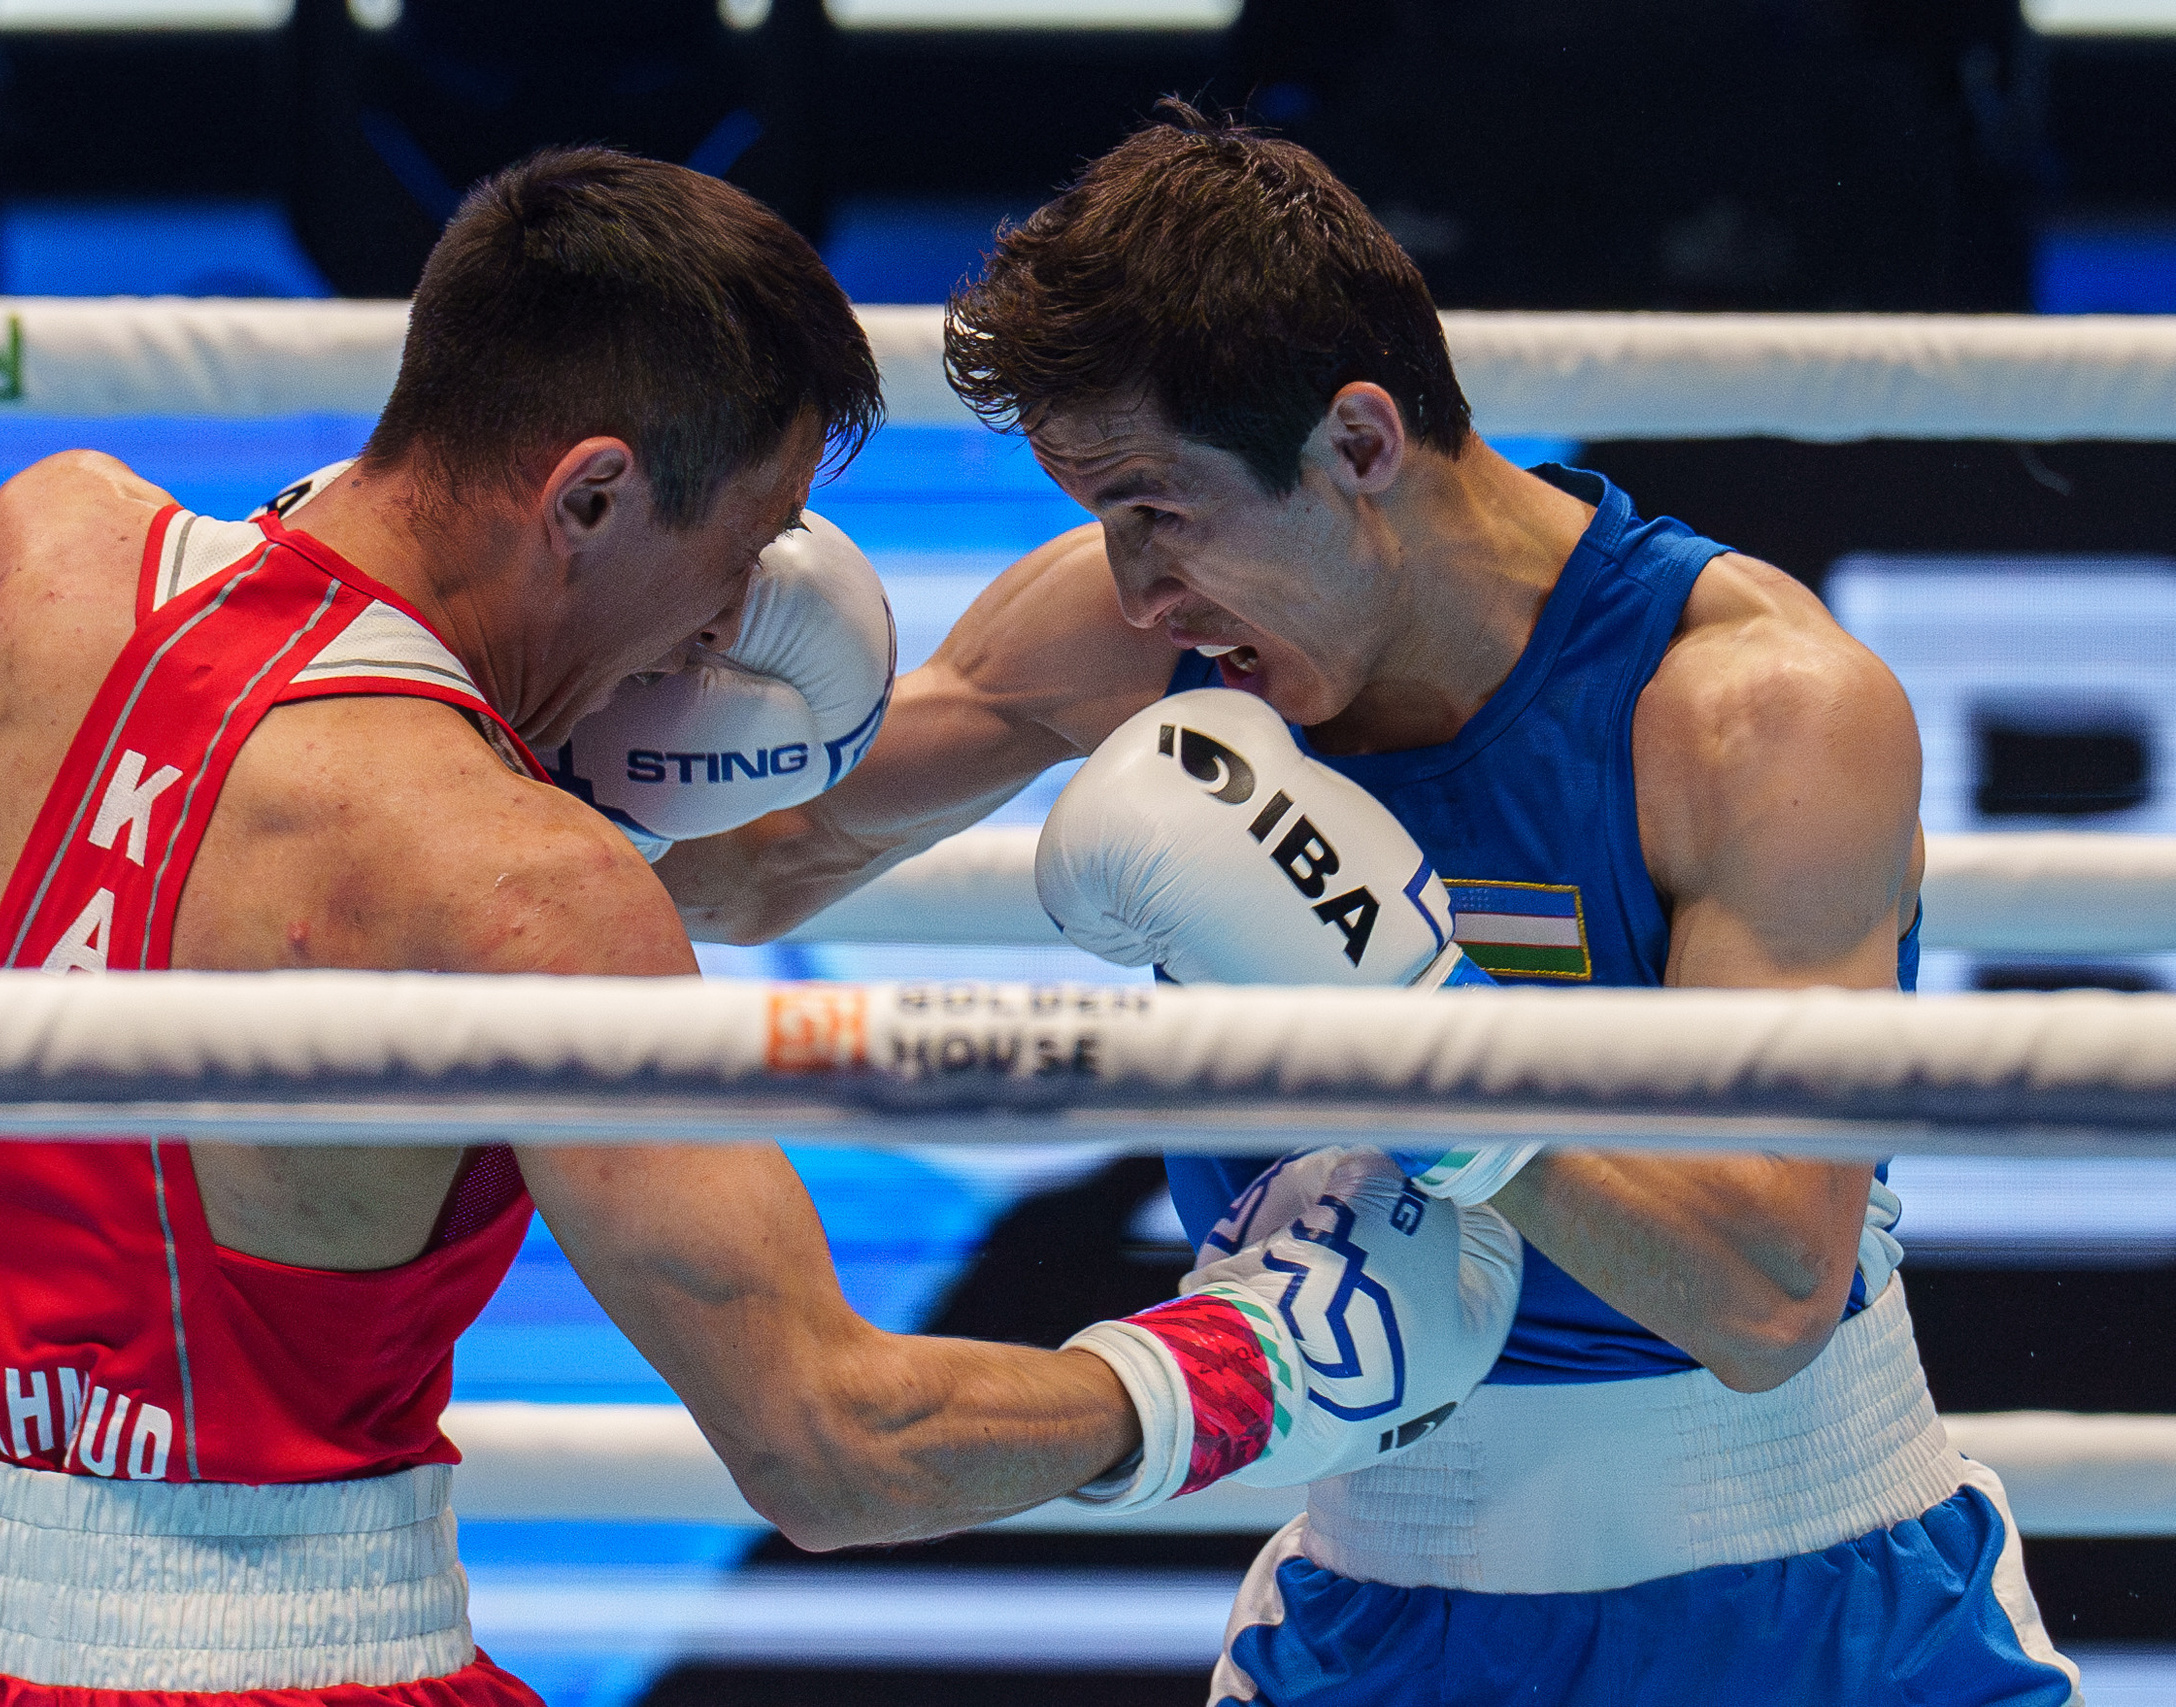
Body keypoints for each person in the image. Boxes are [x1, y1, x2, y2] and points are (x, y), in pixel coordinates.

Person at [0, 145, 1515, 1707]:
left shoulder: (35, 554)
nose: (733, 624)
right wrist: (1246, 1367)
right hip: (281, 1672)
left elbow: (239, 807)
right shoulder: (522, 889)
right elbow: (831, 1442)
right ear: (590, 499)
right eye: (748, 548)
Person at [656, 105, 2082, 1705]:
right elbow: (753, 861)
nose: (1136, 589)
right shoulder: (1136, 640)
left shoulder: (1751, 710)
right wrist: (595, 690)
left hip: (1817, 1618)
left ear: (1355, 444)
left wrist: (1420, 1041)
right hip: (1383, 1609)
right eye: (1101, 520)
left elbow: (1769, 1295)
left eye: (1157, 509)